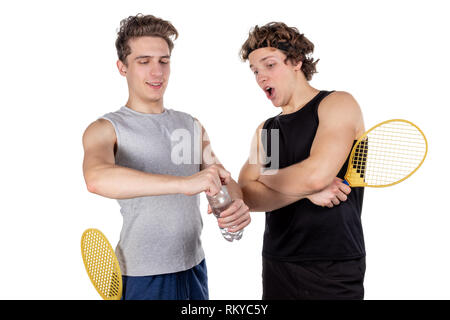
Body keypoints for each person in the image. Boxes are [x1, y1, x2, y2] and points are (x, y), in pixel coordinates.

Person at [82, 14, 251, 300]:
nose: (156, 72)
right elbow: (96, 179)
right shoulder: (107, 128)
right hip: (143, 275)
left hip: (194, 267)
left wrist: (236, 203)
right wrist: (183, 183)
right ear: (122, 67)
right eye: (143, 61)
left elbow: (219, 175)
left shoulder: (189, 125)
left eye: (164, 61)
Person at [237, 22, 366, 300]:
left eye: (269, 65)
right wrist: (308, 191)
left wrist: (265, 178)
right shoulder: (269, 129)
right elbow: (248, 195)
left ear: (296, 61)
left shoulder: (337, 104)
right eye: (255, 70)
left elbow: (316, 175)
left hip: (333, 263)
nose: (260, 77)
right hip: (278, 262)